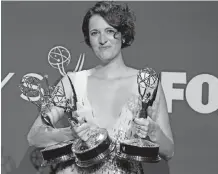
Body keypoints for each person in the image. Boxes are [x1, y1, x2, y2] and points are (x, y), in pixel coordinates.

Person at [27, 1, 174, 174]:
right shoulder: (72, 82)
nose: (103, 40)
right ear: (89, 39)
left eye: (110, 31)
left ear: (124, 35)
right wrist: (70, 134)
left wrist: (153, 131)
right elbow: (34, 136)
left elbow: (169, 151)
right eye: (95, 33)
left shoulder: (146, 83)